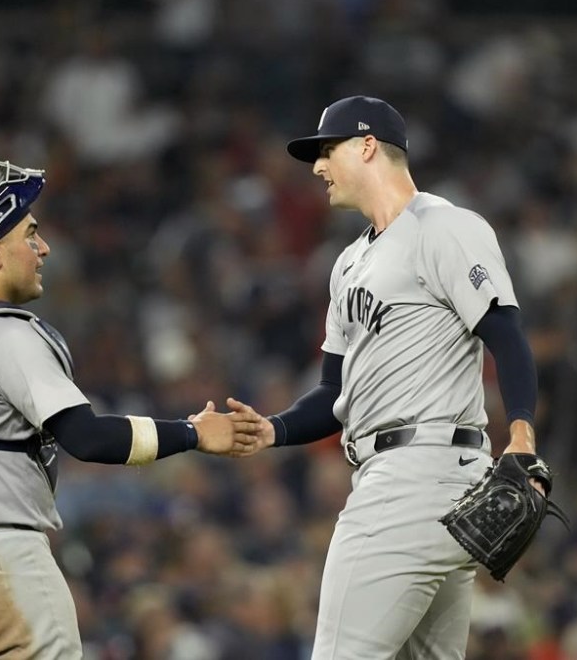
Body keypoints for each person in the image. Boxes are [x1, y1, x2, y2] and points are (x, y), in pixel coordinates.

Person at [0, 152, 254, 659]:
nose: (43, 247)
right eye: (30, 234)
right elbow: (89, 439)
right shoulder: (8, 334)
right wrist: (195, 433)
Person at [226, 96, 548, 659]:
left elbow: (506, 334)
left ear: (367, 145)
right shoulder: (348, 263)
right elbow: (334, 393)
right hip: (412, 479)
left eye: (327, 151)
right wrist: (273, 430)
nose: (318, 167)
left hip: (413, 479)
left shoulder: (444, 227)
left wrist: (521, 434)